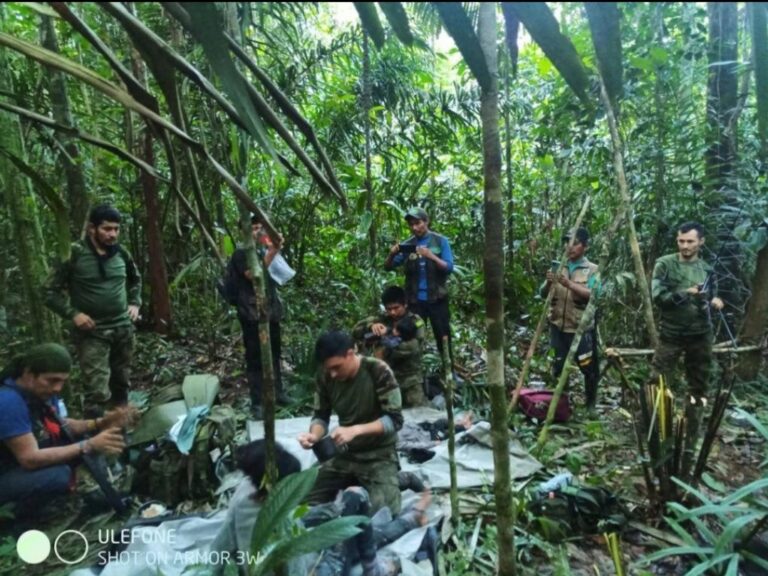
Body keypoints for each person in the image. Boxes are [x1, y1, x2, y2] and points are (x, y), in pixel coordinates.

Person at [210, 440, 431, 576]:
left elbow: (220, 546)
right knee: (355, 520)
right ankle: (384, 557)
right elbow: (296, 566)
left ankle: (408, 519)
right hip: (316, 568)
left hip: (293, 550)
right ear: (278, 485)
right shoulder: (279, 521)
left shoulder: (244, 493)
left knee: (345, 509)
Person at [0, 343, 136, 516]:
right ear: (28, 373)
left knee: (87, 439)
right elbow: (29, 458)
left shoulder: (40, 392)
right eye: (52, 380)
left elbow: (61, 425)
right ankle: (20, 518)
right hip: (7, 471)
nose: (58, 388)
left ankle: (100, 486)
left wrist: (101, 422)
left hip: (18, 461)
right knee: (58, 475)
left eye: (62, 381)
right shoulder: (8, 401)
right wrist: (88, 445)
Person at [45, 203, 141, 415]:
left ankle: (120, 431)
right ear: (92, 228)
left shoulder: (122, 254)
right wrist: (74, 314)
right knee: (97, 391)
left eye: (116, 229)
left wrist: (135, 303)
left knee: (122, 382)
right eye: (107, 229)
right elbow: (49, 292)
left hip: (122, 329)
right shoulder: (74, 254)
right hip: (92, 332)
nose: (112, 234)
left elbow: (136, 280)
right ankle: (97, 439)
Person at [298, 331, 403, 514]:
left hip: (378, 455)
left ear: (350, 353)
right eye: (328, 368)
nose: (332, 374)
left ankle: (401, 479)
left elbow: (394, 420)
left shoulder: (377, 370)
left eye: (337, 367)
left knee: (385, 513)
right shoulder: (325, 376)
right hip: (344, 455)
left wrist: (355, 430)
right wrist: (314, 435)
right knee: (299, 500)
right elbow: (321, 416)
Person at [650, 221, 724, 477]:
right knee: (659, 383)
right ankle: (658, 431)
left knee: (699, 385)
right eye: (681, 241)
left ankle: (692, 430)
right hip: (671, 334)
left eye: (690, 241)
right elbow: (659, 298)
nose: (685, 246)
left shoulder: (707, 269)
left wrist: (714, 301)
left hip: (700, 335)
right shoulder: (665, 264)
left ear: (700, 242)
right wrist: (686, 293)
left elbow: (712, 296)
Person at [229, 214, 290, 420]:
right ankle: (257, 402)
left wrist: (274, 248)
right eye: (253, 228)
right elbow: (253, 274)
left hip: (270, 311)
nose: (257, 232)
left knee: (274, 353)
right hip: (252, 314)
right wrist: (273, 250)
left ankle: (278, 392)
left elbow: (279, 275)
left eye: (259, 228)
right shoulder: (241, 254)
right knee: (255, 358)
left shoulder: (264, 249)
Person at [384, 208, 455, 365]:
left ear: (426, 221)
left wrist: (431, 256)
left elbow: (449, 267)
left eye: (418, 223)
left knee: (443, 335)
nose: (415, 227)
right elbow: (388, 267)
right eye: (411, 224)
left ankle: (449, 370)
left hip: (437, 300)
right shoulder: (408, 245)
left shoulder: (440, 241)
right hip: (415, 302)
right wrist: (392, 254)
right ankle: (414, 370)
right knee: (412, 336)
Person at [543, 227, 601, 408]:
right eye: (567, 242)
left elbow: (594, 294)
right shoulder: (559, 266)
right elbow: (543, 294)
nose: (570, 247)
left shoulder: (592, 270)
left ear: (585, 246)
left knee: (588, 368)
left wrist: (569, 284)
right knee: (558, 367)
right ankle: (561, 406)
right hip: (557, 326)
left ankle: (590, 405)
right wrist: (548, 283)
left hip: (580, 328)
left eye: (575, 243)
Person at [353, 286, 427, 408]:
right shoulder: (382, 319)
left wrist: (386, 339)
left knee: (418, 415)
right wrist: (371, 326)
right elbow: (356, 331)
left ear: (405, 304)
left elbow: (413, 348)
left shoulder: (415, 322)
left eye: (396, 308)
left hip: (409, 380)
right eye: (389, 309)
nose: (392, 312)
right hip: (385, 379)